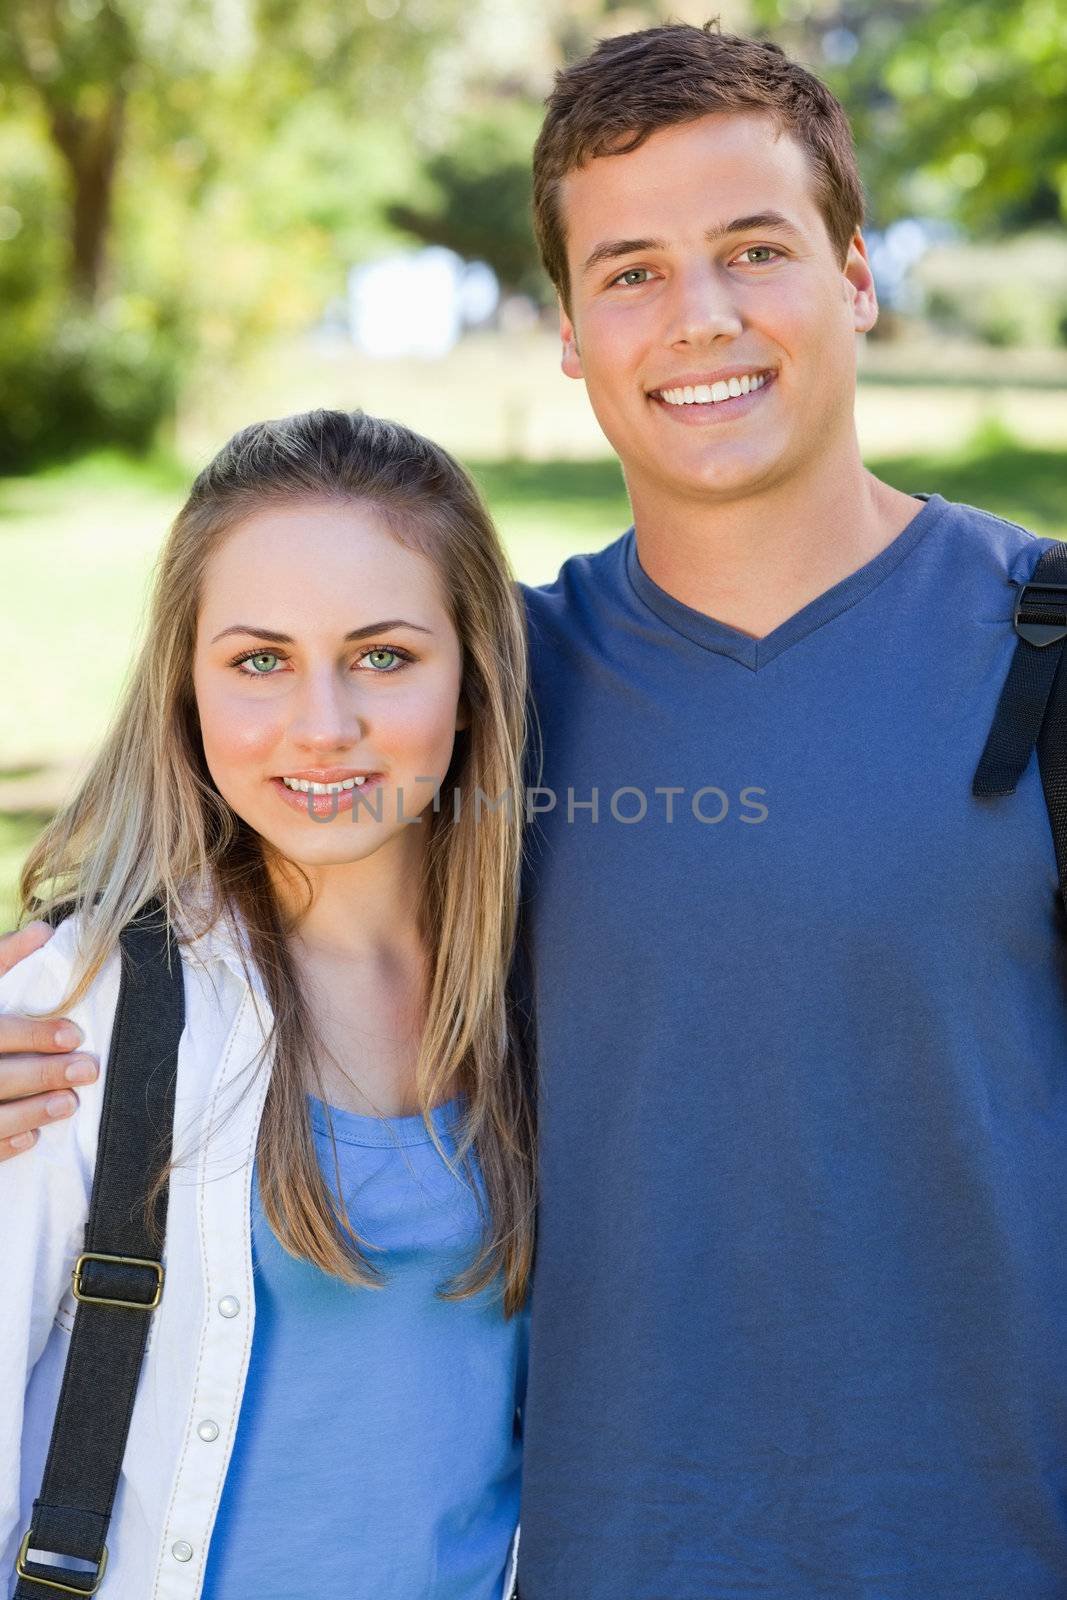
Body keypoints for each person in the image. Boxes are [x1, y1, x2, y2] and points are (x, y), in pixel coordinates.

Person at [3, 19, 1066, 1599]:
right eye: (628, 270)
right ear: (566, 329)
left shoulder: (1033, 652)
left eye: (752, 249)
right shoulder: (484, 690)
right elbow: (204, 848)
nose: (695, 316)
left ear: (856, 274)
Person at [0, 408, 534, 1600]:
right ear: (185, 689)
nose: (323, 725)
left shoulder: (552, 992)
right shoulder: (83, 1009)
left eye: (385, 655)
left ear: (472, 678)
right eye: (258, 660)